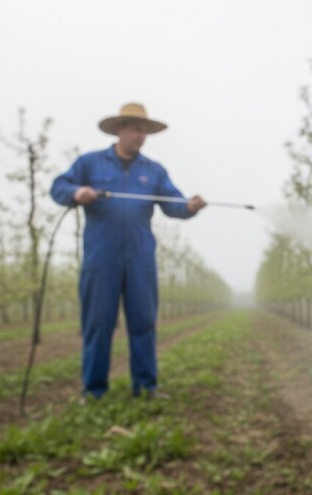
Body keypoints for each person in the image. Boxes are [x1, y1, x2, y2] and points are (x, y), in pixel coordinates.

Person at [50, 103, 206, 400]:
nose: (141, 135)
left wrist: (189, 206)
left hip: (140, 260)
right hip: (100, 259)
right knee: (98, 324)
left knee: (144, 322)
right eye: (137, 129)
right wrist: (76, 193)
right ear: (120, 129)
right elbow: (59, 186)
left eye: (145, 131)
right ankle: (94, 391)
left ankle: (147, 387)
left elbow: (174, 203)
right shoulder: (90, 163)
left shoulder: (154, 171)